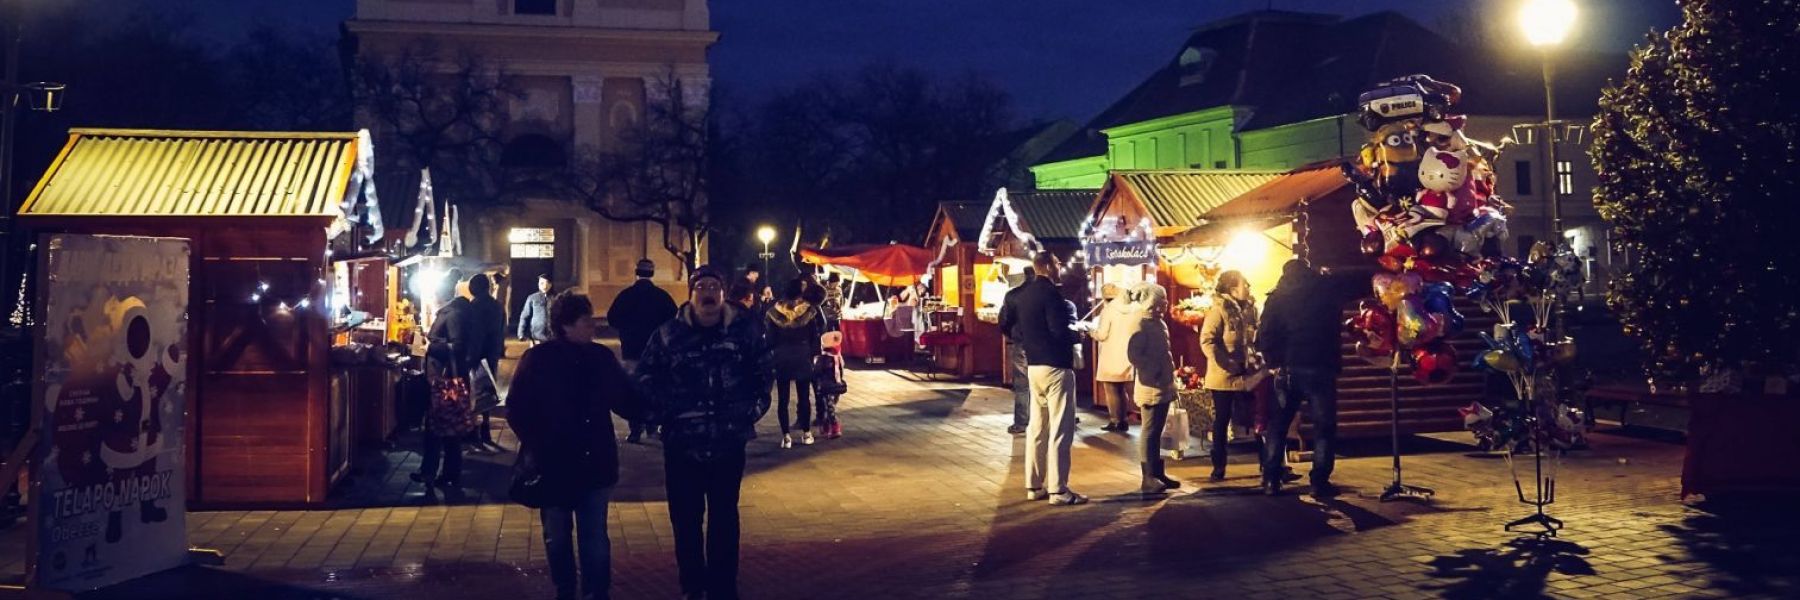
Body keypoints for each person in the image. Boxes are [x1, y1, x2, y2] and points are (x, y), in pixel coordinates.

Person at [634, 265, 771, 600]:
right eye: (701, 287)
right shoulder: (668, 334)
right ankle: (692, 587)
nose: (708, 292)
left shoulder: (744, 331)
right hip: (682, 445)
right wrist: (667, 412)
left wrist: (748, 414)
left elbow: (764, 373)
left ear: (722, 293)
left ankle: (724, 587)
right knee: (686, 521)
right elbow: (646, 378)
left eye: (714, 286)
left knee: (725, 518)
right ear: (691, 294)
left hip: (728, 442)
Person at [507, 293, 642, 600]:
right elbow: (517, 407)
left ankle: (597, 591)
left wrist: (652, 407)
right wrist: (537, 442)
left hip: (594, 461)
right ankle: (565, 588)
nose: (593, 327)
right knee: (557, 536)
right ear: (566, 325)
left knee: (594, 536)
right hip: (553, 462)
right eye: (586, 321)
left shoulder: (600, 357)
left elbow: (624, 398)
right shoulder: (539, 359)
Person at [1255, 260, 1366, 497]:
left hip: (1288, 370)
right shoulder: (1326, 290)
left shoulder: (1277, 298)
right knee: (1324, 427)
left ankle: (1271, 480)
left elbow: (1265, 334)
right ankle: (1319, 482)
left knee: (1278, 426)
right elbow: (1356, 283)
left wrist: (1274, 363)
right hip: (1321, 367)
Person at [1012, 252, 1087, 506]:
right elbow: (1058, 330)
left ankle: (1034, 485)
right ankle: (1058, 490)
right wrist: (1076, 336)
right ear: (1046, 266)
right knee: (1060, 428)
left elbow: (1014, 328)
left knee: (1037, 427)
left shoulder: (1024, 295)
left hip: (1034, 365)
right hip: (1056, 365)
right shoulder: (1052, 294)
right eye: (1056, 263)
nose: (1060, 266)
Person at [608, 259, 680, 444]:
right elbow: (673, 321)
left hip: (632, 350)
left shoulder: (626, 296)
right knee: (655, 388)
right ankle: (652, 426)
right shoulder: (662, 297)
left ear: (636, 272)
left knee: (634, 388)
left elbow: (612, 318)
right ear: (652, 273)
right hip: (656, 352)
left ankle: (635, 429)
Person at [1200, 270, 1262, 482]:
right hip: (1223, 377)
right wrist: (1227, 363)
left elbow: (1254, 337)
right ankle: (1218, 466)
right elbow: (1207, 341)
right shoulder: (1219, 311)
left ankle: (1270, 465)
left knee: (1259, 418)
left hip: (1247, 374)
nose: (1249, 287)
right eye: (1245, 284)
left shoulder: (1249, 310)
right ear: (1232, 289)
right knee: (1222, 421)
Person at [415, 271, 474, 489]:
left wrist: (430, 345)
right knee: (441, 429)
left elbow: (458, 347)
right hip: (440, 379)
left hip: (445, 381)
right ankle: (434, 473)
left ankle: (441, 474)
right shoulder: (452, 310)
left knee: (444, 429)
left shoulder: (455, 313)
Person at [1126, 283, 1182, 493]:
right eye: (1161, 302)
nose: (1165, 306)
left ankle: (1157, 473)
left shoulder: (1158, 323)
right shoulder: (1141, 323)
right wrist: (1155, 371)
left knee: (1156, 431)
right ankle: (1148, 477)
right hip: (1151, 385)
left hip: (1163, 383)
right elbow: (1134, 355)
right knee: (1149, 431)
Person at [766, 279, 826, 448]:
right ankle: (806, 434)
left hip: (781, 356)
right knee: (804, 396)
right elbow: (815, 337)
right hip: (802, 355)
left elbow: (770, 339)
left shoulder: (773, 312)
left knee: (783, 398)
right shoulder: (810, 312)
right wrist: (814, 356)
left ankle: (786, 437)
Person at [1088, 283, 1135, 432]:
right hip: (1127, 354)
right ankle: (1124, 420)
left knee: (1111, 389)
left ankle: (1115, 420)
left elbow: (1102, 334)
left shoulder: (1108, 310)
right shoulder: (1131, 309)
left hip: (1110, 353)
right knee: (1122, 390)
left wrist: (1091, 332)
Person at [468, 274, 507, 445]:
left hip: (476, 355)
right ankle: (485, 429)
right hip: (491, 354)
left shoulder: (473, 306)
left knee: (475, 393)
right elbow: (502, 330)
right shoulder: (497, 306)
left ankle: (475, 432)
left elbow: (471, 332)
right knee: (488, 391)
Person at [996, 267, 1036, 435]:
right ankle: (1041, 420)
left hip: (1021, 342)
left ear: (1024, 275)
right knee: (1043, 383)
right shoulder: (1049, 294)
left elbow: (1004, 319)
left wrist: (1011, 334)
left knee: (1021, 384)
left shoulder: (1013, 295)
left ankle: (1021, 422)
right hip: (1043, 344)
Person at [518, 274, 555, 345]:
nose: (545, 286)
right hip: (536, 337)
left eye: (547, 283)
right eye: (542, 283)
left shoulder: (556, 298)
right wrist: (521, 333)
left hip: (553, 337)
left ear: (551, 284)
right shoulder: (532, 298)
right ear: (538, 284)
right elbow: (524, 316)